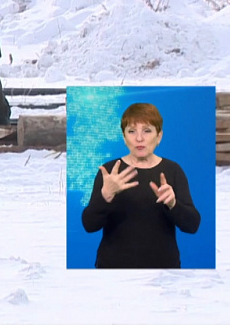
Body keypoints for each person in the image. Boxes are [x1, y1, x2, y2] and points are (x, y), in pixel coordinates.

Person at [81, 103, 201, 269]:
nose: (139, 138)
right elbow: (89, 225)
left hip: (163, 272)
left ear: (159, 136)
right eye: (132, 131)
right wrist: (105, 197)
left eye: (147, 130)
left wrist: (173, 204)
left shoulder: (173, 170)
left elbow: (192, 225)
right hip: (113, 271)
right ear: (124, 137)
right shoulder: (109, 172)